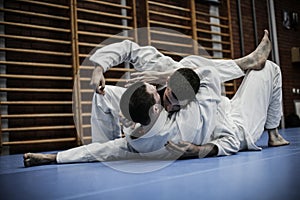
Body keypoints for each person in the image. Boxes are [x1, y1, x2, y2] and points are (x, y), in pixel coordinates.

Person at [23, 30, 289, 167]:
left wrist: (99, 67)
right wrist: (202, 151)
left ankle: (273, 132)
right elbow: (231, 139)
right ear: (155, 111)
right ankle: (248, 64)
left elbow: (129, 47)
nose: (169, 103)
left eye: (170, 95)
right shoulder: (181, 122)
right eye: (166, 100)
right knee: (268, 68)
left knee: (103, 93)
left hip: (220, 105)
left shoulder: (161, 80)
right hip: (237, 122)